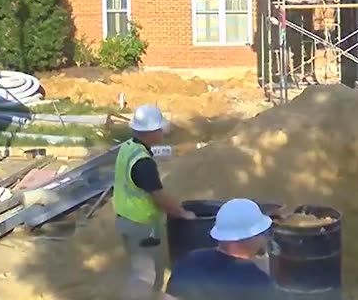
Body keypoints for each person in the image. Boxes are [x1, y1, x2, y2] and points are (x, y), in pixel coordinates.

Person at [115, 104, 195, 300]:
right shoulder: (143, 162)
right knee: (147, 277)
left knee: (141, 273)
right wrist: (182, 213)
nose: (162, 133)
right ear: (149, 132)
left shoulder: (128, 148)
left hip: (126, 219)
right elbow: (158, 197)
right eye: (159, 129)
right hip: (141, 226)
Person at [165, 198, 276, 300]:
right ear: (250, 237)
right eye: (263, 232)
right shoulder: (257, 281)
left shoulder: (190, 260)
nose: (265, 238)